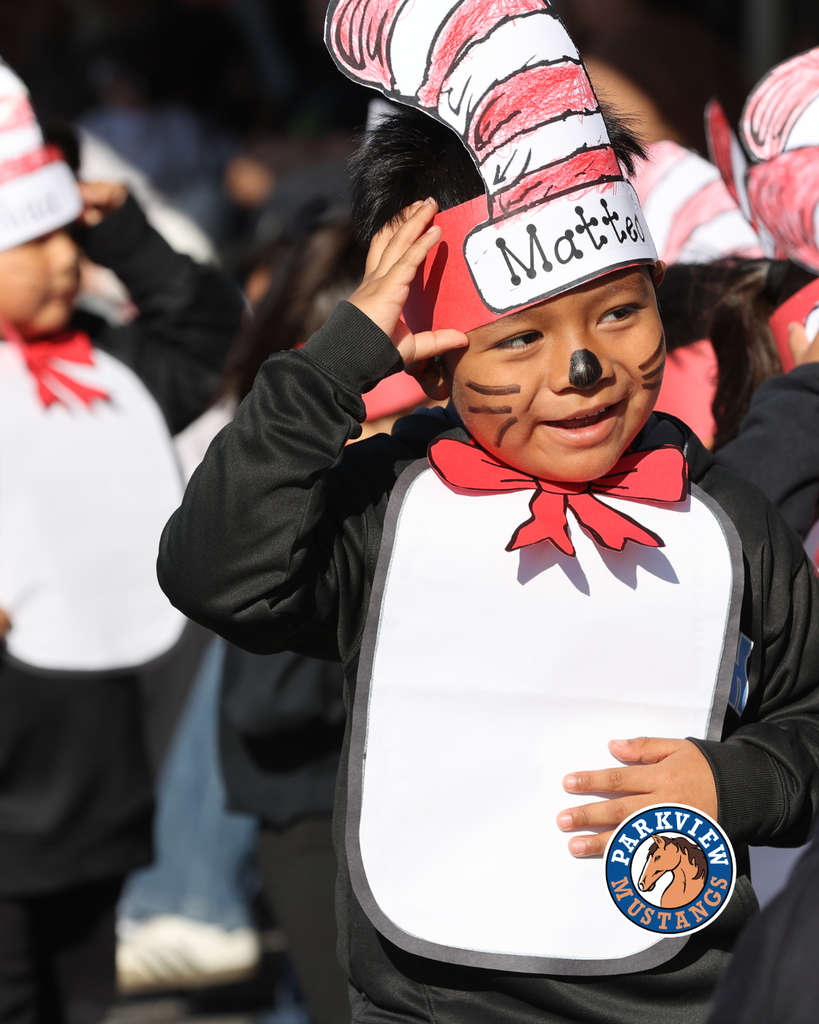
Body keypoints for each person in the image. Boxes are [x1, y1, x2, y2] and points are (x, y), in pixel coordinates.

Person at [157, 4, 819, 1022]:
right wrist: (340, 357)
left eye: (619, 311)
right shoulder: (392, 512)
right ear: (438, 354)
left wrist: (738, 779)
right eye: (520, 341)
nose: (586, 367)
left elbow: (810, 722)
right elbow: (216, 569)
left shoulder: (729, 526)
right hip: (428, 998)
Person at [0, 60, 243, 1022]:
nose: (64, 260)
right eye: (32, 238)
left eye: (67, 235)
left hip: (98, 768)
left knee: (82, 989)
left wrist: (125, 233)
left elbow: (207, 328)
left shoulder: (112, 365)